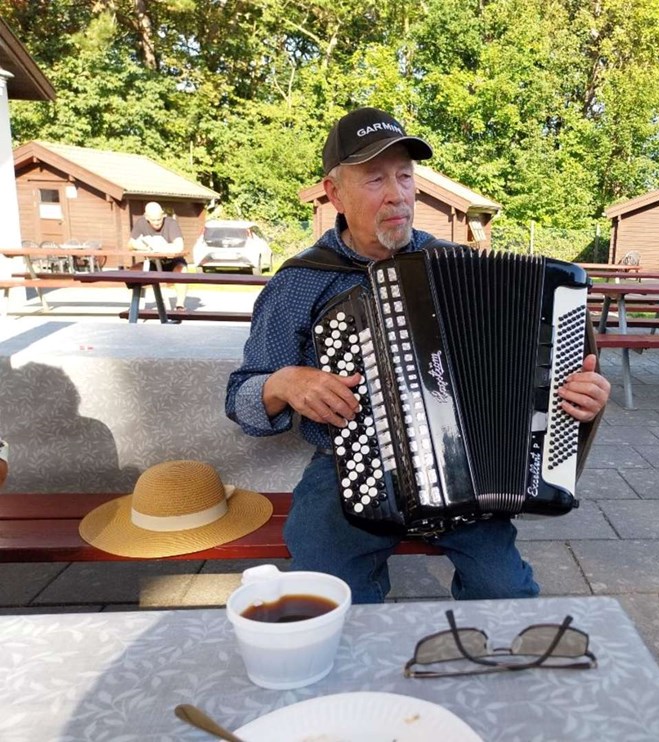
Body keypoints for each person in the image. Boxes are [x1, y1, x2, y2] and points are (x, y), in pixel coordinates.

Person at [226, 107, 610, 604]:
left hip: (468, 469)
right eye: (374, 179)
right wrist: (282, 384)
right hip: (347, 470)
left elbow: (531, 381)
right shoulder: (301, 282)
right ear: (335, 191)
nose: (397, 194)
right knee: (327, 598)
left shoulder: (460, 266)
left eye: (405, 176)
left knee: (505, 592)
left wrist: (577, 397)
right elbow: (242, 396)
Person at [128, 201, 188, 311]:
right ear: (146, 217)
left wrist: (160, 248)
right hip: (151, 262)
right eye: (153, 220)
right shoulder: (140, 223)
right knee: (133, 271)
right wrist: (142, 246)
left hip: (172, 262)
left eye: (159, 219)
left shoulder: (171, 223)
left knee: (181, 270)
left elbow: (179, 246)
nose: (156, 222)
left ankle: (180, 305)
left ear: (163, 215)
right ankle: (135, 306)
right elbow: (130, 244)